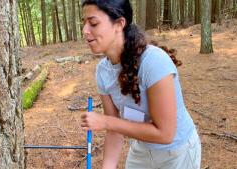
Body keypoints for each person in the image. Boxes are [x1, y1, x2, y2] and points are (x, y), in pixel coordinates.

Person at [80, 0, 201, 169]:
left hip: (177, 152)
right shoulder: (102, 71)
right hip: (142, 149)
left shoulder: (153, 62)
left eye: (93, 23)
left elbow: (165, 134)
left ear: (119, 24)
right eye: (83, 23)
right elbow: (114, 130)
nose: (85, 30)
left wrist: (106, 122)